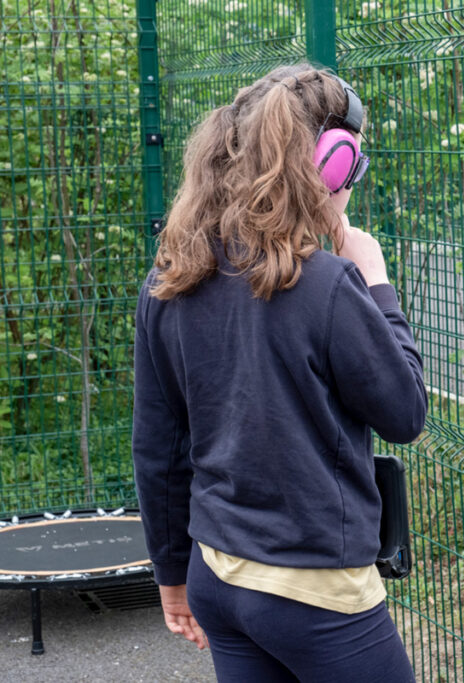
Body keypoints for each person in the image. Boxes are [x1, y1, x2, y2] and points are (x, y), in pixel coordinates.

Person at [132, 63, 426, 681]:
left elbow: (159, 446)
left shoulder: (168, 277)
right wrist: (375, 278)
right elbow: (405, 413)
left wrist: (171, 574)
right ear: (329, 164)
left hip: (217, 575)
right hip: (315, 594)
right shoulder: (328, 283)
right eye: (354, 166)